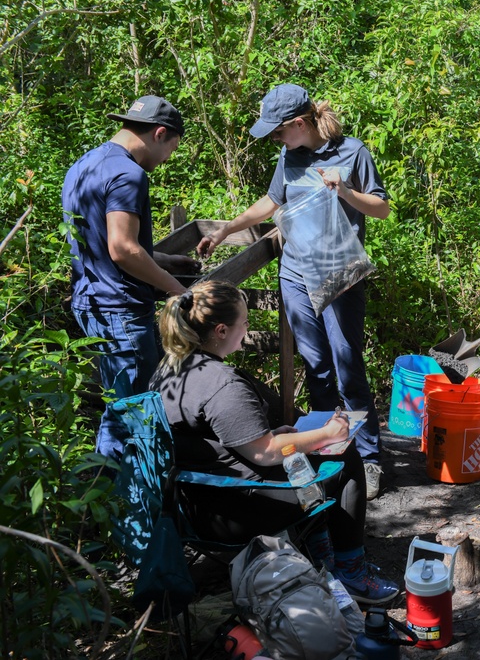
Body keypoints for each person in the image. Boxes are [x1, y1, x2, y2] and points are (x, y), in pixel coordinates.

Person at [149, 280, 399, 604]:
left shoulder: (167, 372)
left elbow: (220, 442)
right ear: (222, 330)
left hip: (194, 504)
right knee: (344, 457)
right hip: (242, 512)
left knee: (306, 454)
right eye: (244, 322)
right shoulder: (222, 384)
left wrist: (277, 436)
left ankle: (321, 557)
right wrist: (329, 434)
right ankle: (352, 573)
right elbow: (265, 454)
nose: (248, 327)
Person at [197, 84, 389, 499]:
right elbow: (272, 201)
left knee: (347, 364)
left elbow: (381, 207)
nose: (275, 141)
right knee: (317, 365)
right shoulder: (289, 155)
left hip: (339, 273)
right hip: (295, 273)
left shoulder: (353, 152)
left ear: (298, 124)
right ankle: (330, 449)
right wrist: (228, 228)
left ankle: (370, 458)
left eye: (278, 132)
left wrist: (345, 191)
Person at [63, 95, 201, 462]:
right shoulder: (129, 174)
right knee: (134, 413)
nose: (168, 158)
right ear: (160, 133)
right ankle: (129, 507)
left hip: (91, 302)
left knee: (120, 404)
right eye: (172, 148)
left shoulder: (85, 165)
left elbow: (102, 241)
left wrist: (167, 259)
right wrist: (179, 290)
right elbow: (122, 250)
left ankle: (112, 501)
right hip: (121, 310)